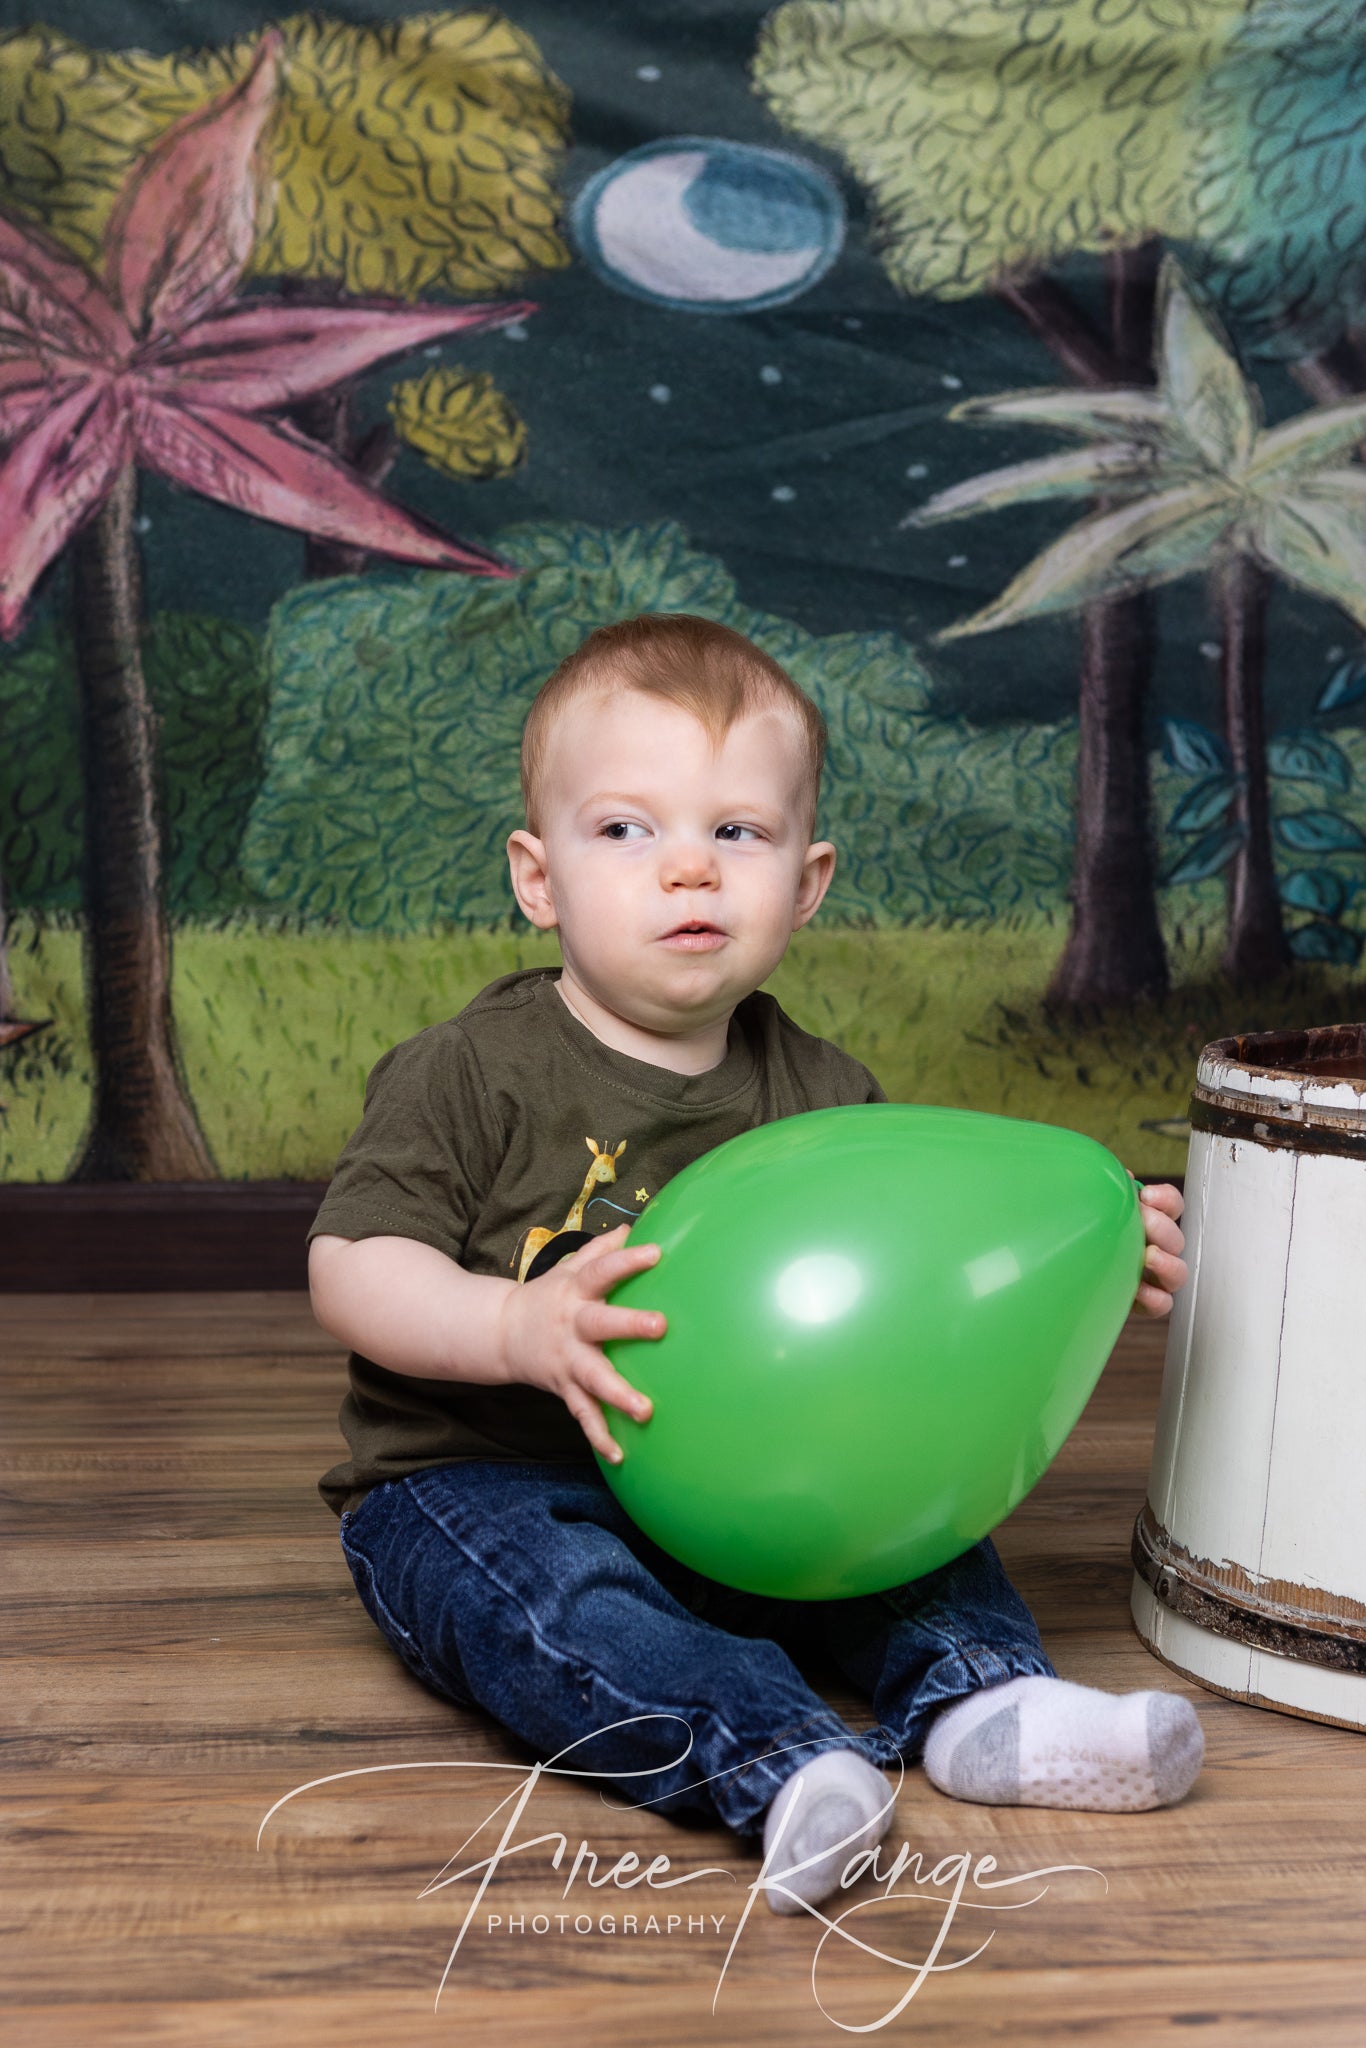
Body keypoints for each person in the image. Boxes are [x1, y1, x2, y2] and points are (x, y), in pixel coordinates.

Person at [308, 614, 1199, 1918]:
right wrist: (512, 1329)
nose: (686, 871)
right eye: (625, 829)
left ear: (807, 878)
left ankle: (985, 1704)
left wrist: (1085, 1256)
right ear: (537, 875)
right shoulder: (472, 1071)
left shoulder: (825, 1100)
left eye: (736, 832)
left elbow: (912, 1307)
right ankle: (779, 1760)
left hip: (756, 1482)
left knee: (910, 1540)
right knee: (556, 1608)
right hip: (487, 1471)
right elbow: (354, 1263)